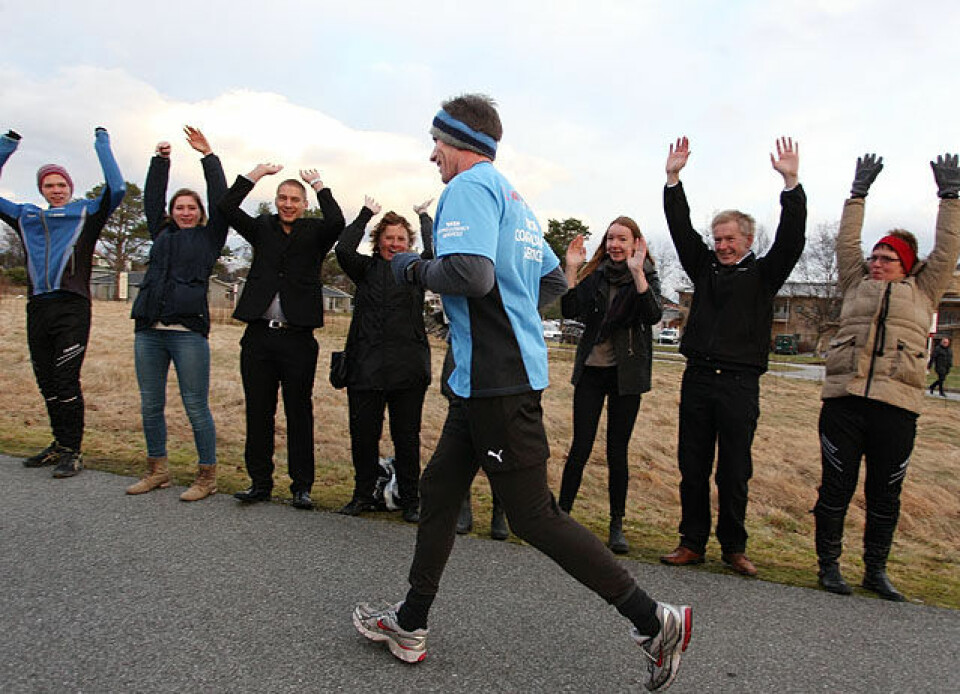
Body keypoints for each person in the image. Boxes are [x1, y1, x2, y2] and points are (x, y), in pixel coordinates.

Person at [352, 94, 692, 692]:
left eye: (436, 142)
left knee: (534, 515)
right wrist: (512, 314)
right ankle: (411, 621)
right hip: (483, 380)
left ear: (458, 140)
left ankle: (653, 620)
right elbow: (553, 280)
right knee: (439, 491)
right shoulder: (514, 197)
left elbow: (470, 274)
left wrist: (412, 268)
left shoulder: (468, 188)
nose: (432, 155)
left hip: (497, 381)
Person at [814, 153, 960, 600]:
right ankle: (828, 566)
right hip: (844, 403)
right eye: (875, 257)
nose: (876, 263)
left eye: (888, 258)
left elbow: (948, 247)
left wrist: (950, 196)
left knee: (885, 495)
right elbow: (846, 242)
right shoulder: (855, 283)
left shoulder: (925, 289)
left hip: (896, 410)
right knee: (835, 488)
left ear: (907, 264)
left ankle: (875, 570)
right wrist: (857, 194)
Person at [660, 136, 806, 577]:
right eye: (717, 238)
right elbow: (680, 228)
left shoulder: (764, 274)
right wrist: (673, 179)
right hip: (699, 379)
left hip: (740, 384)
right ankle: (691, 542)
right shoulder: (702, 268)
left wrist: (791, 184)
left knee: (734, 471)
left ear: (747, 239)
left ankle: (734, 548)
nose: (722, 245)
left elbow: (792, 238)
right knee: (693, 466)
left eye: (729, 239)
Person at [218, 161, 345, 510]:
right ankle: (259, 482)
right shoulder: (262, 228)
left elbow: (337, 221)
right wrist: (256, 174)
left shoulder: (315, 233)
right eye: (283, 198)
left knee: (298, 413)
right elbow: (227, 206)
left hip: (297, 339)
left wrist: (318, 184)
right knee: (259, 412)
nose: (288, 204)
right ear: (275, 201)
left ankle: (301, 486)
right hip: (258, 337)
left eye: (294, 199)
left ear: (304, 205)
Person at [0, 127, 125, 478]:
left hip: (72, 308)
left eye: (61, 185)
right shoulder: (26, 216)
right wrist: (6, 146)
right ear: (41, 189)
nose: (56, 190)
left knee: (66, 379)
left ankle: (73, 451)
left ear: (70, 188)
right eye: (49, 185)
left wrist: (102, 143)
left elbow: (117, 188)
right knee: (47, 383)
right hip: (38, 308)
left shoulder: (86, 213)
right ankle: (59, 443)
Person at [126, 126, 227, 501]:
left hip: (188, 334)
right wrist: (161, 162)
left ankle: (207, 477)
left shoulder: (210, 237)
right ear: (171, 213)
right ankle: (158, 471)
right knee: (150, 404)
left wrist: (208, 156)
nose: (185, 212)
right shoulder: (161, 234)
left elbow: (220, 198)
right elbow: (152, 198)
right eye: (179, 208)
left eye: (191, 208)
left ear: (200, 214)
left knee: (195, 406)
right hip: (148, 331)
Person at [558, 217, 662, 554]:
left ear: (635, 243)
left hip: (626, 375)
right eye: (611, 239)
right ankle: (560, 517)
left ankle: (616, 524)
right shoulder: (597, 274)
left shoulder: (646, 275)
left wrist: (637, 273)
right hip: (591, 371)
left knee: (618, 451)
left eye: (622, 239)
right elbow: (570, 309)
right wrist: (572, 268)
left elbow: (653, 314)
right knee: (581, 446)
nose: (615, 245)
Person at [336, 196, 434, 523]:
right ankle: (363, 495)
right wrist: (365, 215)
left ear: (409, 243)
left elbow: (435, 251)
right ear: (378, 242)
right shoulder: (365, 269)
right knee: (363, 436)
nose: (394, 244)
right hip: (365, 368)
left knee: (407, 438)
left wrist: (424, 217)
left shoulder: (416, 270)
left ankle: (411, 500)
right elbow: (343, 249)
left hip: (408, 370)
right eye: (388, 238)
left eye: (400, 239)